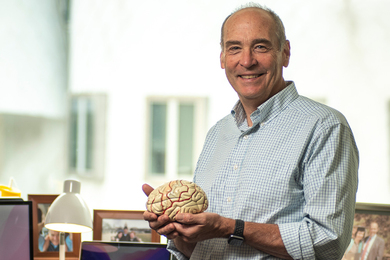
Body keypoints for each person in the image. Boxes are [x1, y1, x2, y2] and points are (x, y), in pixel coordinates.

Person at [143, 3, 358, 259]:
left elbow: (328, 241)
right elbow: (200, 248)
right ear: (223, 58)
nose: (246, 61)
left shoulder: (324, 127)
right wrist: (177, 231)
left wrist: (229, 228)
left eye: (260, 46)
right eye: (234, 48)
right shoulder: (218, 133)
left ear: (285, 53)